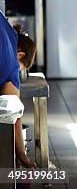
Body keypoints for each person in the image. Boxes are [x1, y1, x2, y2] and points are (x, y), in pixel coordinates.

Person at [0, 15, 37, 168]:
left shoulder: (6, 26)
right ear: (20, 54)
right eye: (20, 69)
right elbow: (13, 112)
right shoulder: (12, 66)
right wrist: (21, 153)